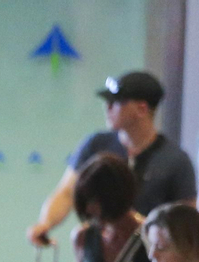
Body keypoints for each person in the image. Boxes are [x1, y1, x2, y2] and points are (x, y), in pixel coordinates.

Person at [28, 71, 196, 248]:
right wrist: (45, 224)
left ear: (141, 109)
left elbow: (186, 224)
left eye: (117, 102)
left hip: (149, 256)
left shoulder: (176, 161)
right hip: (100, 255)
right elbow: (67, 192)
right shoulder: (96, 145)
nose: (107, 107)